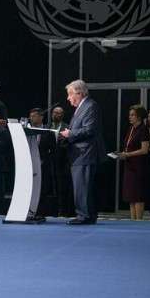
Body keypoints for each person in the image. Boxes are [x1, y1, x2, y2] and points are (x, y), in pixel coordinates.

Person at [58, 79, 105, 225]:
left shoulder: (90, 106)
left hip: (85, 153)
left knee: (82, 187)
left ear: (78, 93)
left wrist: (69, 134)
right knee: (82, 186)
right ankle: (87, 215)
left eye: (69, 94)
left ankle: (84, 216)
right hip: (80, 154)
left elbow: (89, 129)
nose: (68, 98)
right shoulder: (83, 107)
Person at [118, 104, 150, 220]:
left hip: (138, 166)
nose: (130, 117)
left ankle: (139, 221)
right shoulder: (131, 128)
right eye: (130, 115)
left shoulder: (143, 129)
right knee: (131, 196)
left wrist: (128, 154)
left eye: (132, 115)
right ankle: (133, 221)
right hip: (129, 165)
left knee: (138, 195)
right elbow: (128, 146)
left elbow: (144, 150)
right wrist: (122, 154)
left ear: (139, 117)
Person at [48, 106, 74, 217]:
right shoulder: (47, 127)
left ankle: (63, 210)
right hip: (49, 161)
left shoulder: (67, 128)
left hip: (63, 162)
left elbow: (70, 144)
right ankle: (51, 211)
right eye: (54, 112)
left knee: (62, 187)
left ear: (62, 115)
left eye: (59, 113)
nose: (56, 115)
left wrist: (62, 143)